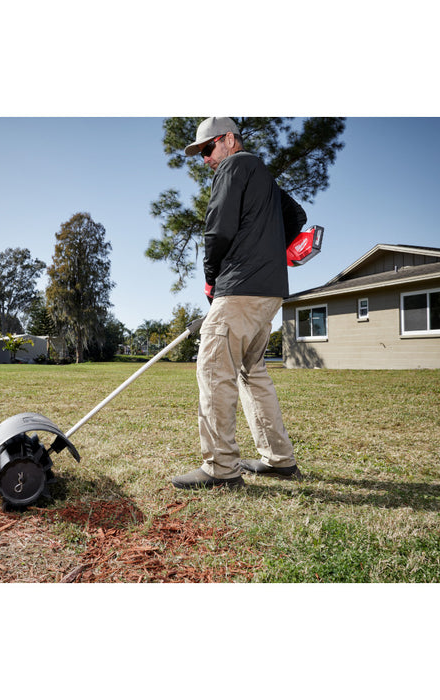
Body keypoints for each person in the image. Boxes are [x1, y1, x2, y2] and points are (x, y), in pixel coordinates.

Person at [171, 117, 302, 490]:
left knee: (214, 370)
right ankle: (279, 460)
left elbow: (219, 228)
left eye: (208, 148)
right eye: (200, 154)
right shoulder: (264, 177)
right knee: (253, 371)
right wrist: (267, 248)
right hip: (270, 291)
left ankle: (220, 469)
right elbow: (297, 217)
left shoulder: (234, 166)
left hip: (239, 288)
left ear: (229, 139)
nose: (206, 159)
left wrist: (212, 278)